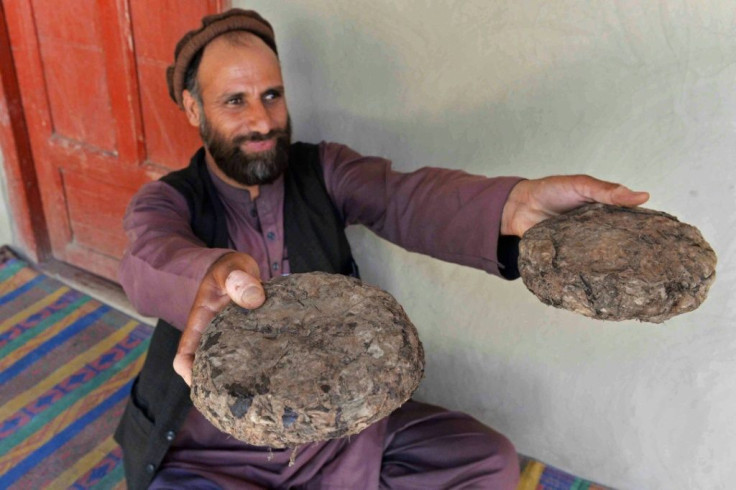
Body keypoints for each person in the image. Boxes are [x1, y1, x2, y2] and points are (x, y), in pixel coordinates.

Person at [115, 8, 649, 490]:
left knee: (486, 460)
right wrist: (212, 273)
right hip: (214, 453)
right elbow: (149, 259)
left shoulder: (322, 170)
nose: (261, 121)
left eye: (271, 95)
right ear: (192, 107)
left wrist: (513, 205)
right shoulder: (166, 201)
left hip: (335, 436)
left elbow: (407, 198)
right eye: (235, 101)